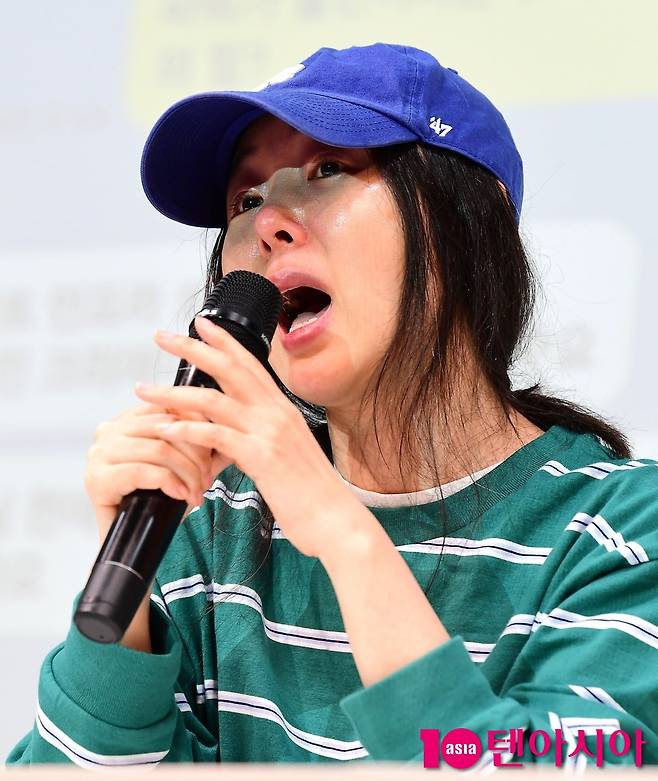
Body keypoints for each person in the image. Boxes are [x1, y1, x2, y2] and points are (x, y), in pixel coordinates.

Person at [7, 43, 658, 769]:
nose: (268, 224)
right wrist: (122, 610)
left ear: (469, 221)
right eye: (245, 201)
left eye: (328, 170)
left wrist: (345, 537)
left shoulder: (627, 531)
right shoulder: (212, 532)